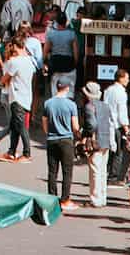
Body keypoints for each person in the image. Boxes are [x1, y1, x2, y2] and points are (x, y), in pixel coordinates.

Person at [0, 40, 36, 163]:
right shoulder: (29, 61)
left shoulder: (15, 62)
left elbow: (5, 78)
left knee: (20, 126)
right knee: (15, 126)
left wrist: (1, 82)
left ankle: (26, 153)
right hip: (26, 96)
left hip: (17, 97)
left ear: (16, 46)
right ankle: (11, 152)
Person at [44, 79, 83, 209]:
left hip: (51, 139)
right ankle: (65, 199)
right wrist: (78, 136)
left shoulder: (48, 103)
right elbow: (75, 126)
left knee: (52, 171)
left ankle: (52, 197)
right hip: (66, 140)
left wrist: (49, 133)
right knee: (67, 172)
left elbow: (45, 123)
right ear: (67, 88)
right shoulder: (71, 105)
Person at [88, 81, 119, 208]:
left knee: (95, 170)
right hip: (106, 140)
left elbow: (91, 125)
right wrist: (112, 141)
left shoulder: (90, 106)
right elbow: (112, 124)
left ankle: (96, 198)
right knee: (102, 170)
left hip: (95, 141)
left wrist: (86, 135)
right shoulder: (106, 106)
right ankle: (103, 196)